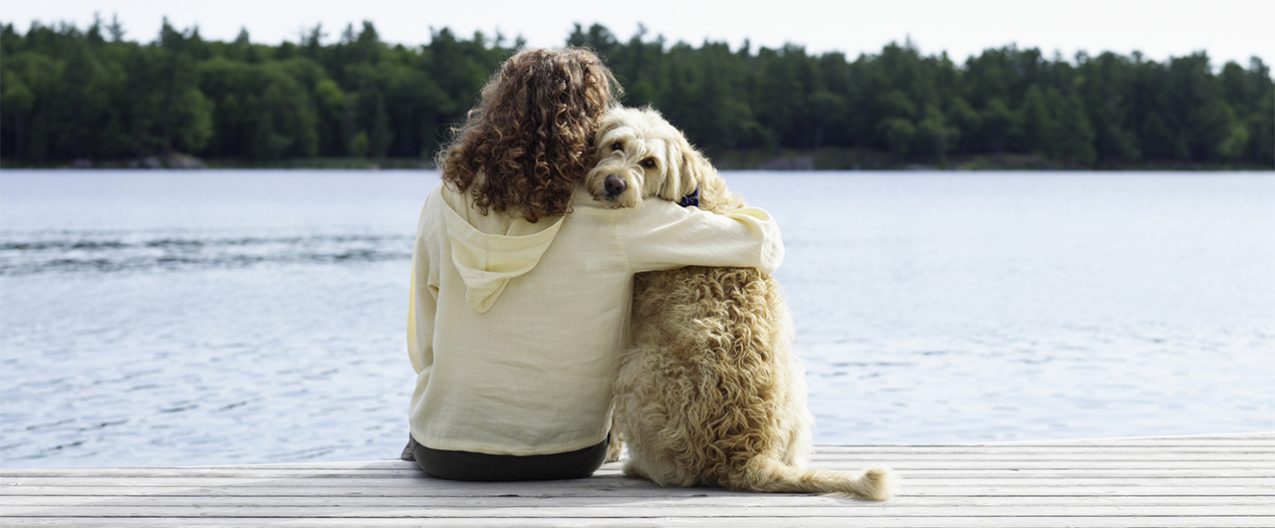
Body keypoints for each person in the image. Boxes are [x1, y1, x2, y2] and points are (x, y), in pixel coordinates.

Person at [403, 48, 784, 481]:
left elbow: (423, 341)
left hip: (444, 451)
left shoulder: (441, 201)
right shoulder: (618, 217)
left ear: (494, 113)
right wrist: (699, 186)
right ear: (587, 128)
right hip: (566, 454)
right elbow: (763, 244)